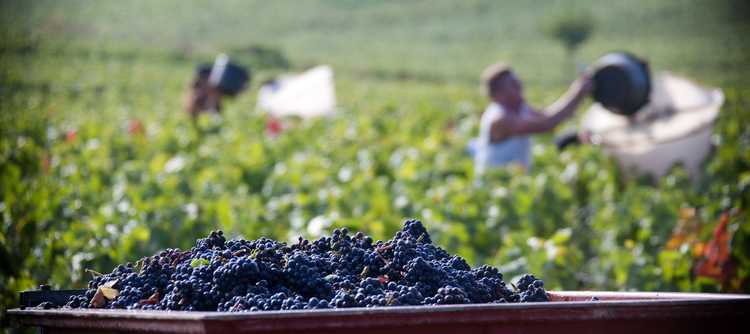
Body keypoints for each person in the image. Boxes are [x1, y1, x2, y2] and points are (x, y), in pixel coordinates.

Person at [474, 62, 593, 174]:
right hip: (495, 185)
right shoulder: (500, 118)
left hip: (514, 182)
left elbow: (547, 116)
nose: (520, 87)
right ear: (499, 93)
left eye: (518, 82)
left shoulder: (519, 108)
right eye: (513, 85)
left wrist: (578, 98)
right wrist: (577, 92)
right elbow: (546, 124)